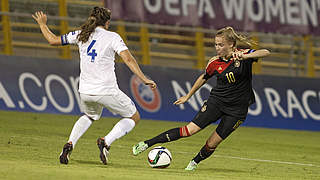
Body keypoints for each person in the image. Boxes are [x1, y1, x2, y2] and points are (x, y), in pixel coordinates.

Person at [132, 26, 270, 170]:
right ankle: (147, 143)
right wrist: (188, 95)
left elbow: (266, 52)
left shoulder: (245, 56)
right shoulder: (214, 62)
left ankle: (194, 163)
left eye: (221, 45)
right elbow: (204, 77)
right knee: (189, 131)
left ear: (231, 44)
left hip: (237, 110)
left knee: (212, 143)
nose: (217, 48)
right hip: (217, 102)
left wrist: (245, 56)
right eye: (216, 44)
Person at [32, 7, 156, 165]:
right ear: (107, 23)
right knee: (134, 116)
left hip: (85, 90)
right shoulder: (113, 37)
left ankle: (70, 143)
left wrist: (42, 24)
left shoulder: (81, 34)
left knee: (89, 116)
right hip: (106, 90)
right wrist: (144, 79)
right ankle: (106, 142)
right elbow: (129, 60)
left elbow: (53, 40)